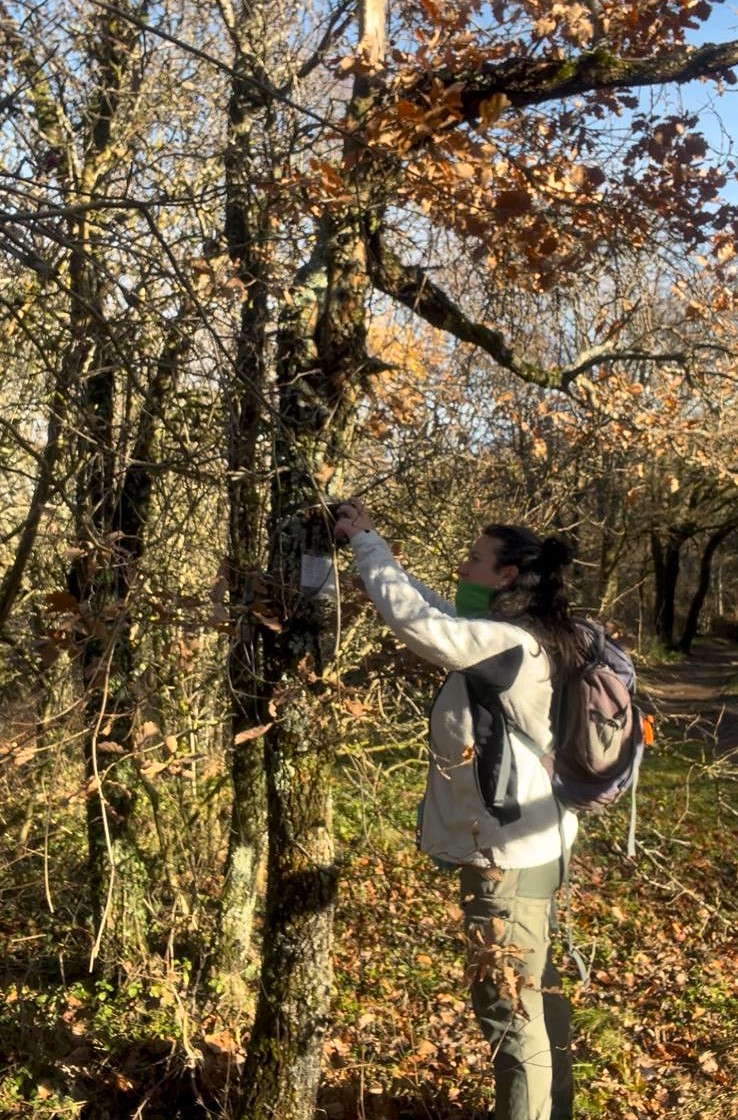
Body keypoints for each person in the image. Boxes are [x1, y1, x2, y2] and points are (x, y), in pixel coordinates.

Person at [334, 499, 579, 1120]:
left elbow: (417, 622)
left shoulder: (506, 643)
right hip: (534, 844)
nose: (463, 567)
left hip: (507, 856)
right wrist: (377, 550)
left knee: (509, 1006)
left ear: (506, 575)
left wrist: (365, 543)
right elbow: (435, 611)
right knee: (534, 990)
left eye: (475, 559)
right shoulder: (526, 637)